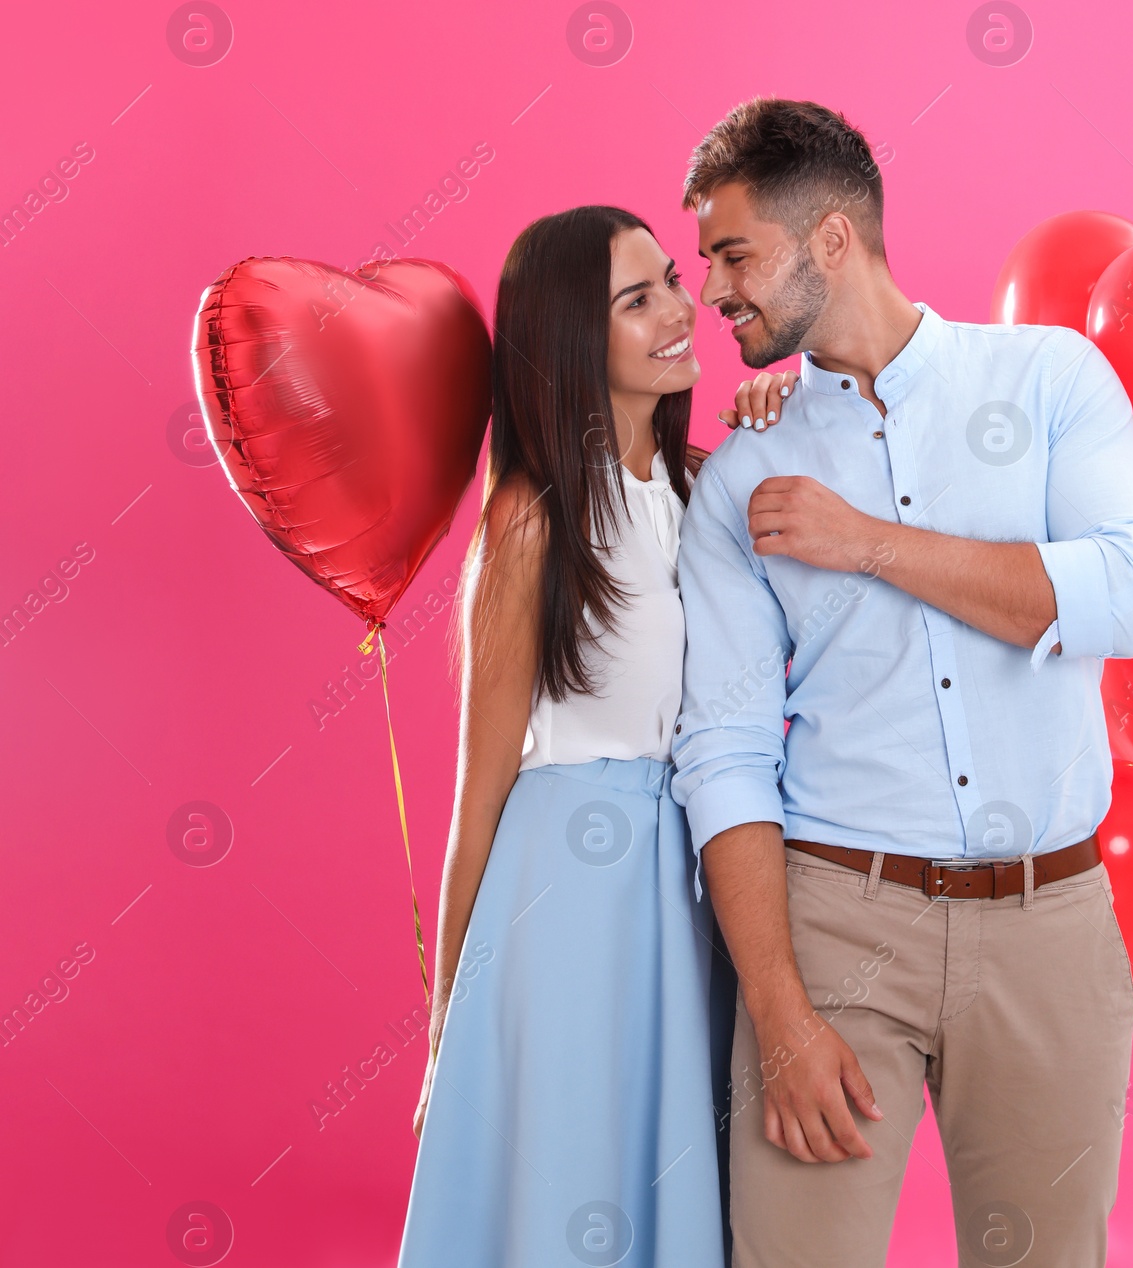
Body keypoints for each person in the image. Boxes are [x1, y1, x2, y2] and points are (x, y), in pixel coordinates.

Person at [670, 99, 1133, 1267]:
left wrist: (871, 544)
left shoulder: (1049, 379)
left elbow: (1126, 595)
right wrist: (780, 1012)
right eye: (705, 262)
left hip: (1052, 925)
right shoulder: (746, 466)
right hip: (837, 923)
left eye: (733, 254)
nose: (714, 290)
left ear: (831, 240)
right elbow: (725, 751)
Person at [397, 204, 762, 1267]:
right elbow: (480, 794)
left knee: (670, 1180)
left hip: (687, 880)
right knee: (566, 1184)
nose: (675, 310)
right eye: (633, 298)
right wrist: (444, 1028)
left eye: (670, 281)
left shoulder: (703, 489)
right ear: (568, 335)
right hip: (562, 891)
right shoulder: (534, 516)